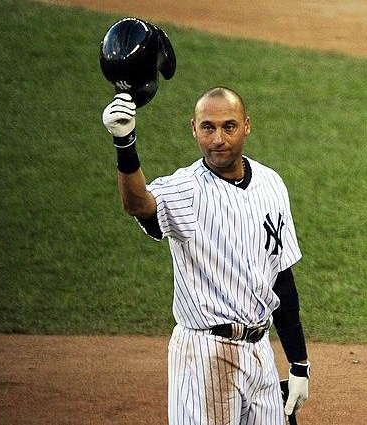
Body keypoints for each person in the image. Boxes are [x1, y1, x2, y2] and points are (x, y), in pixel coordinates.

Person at [102, 86, 310, 424]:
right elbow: (137, 204)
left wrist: (299, 362)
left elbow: (281, 279)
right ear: (193, 128)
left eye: (228, 126)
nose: (217, 139)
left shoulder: (272, 184)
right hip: (204, 355)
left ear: (246, 126)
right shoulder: (185, 189)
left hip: (261, 353)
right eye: (207, 127)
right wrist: (125, 143)